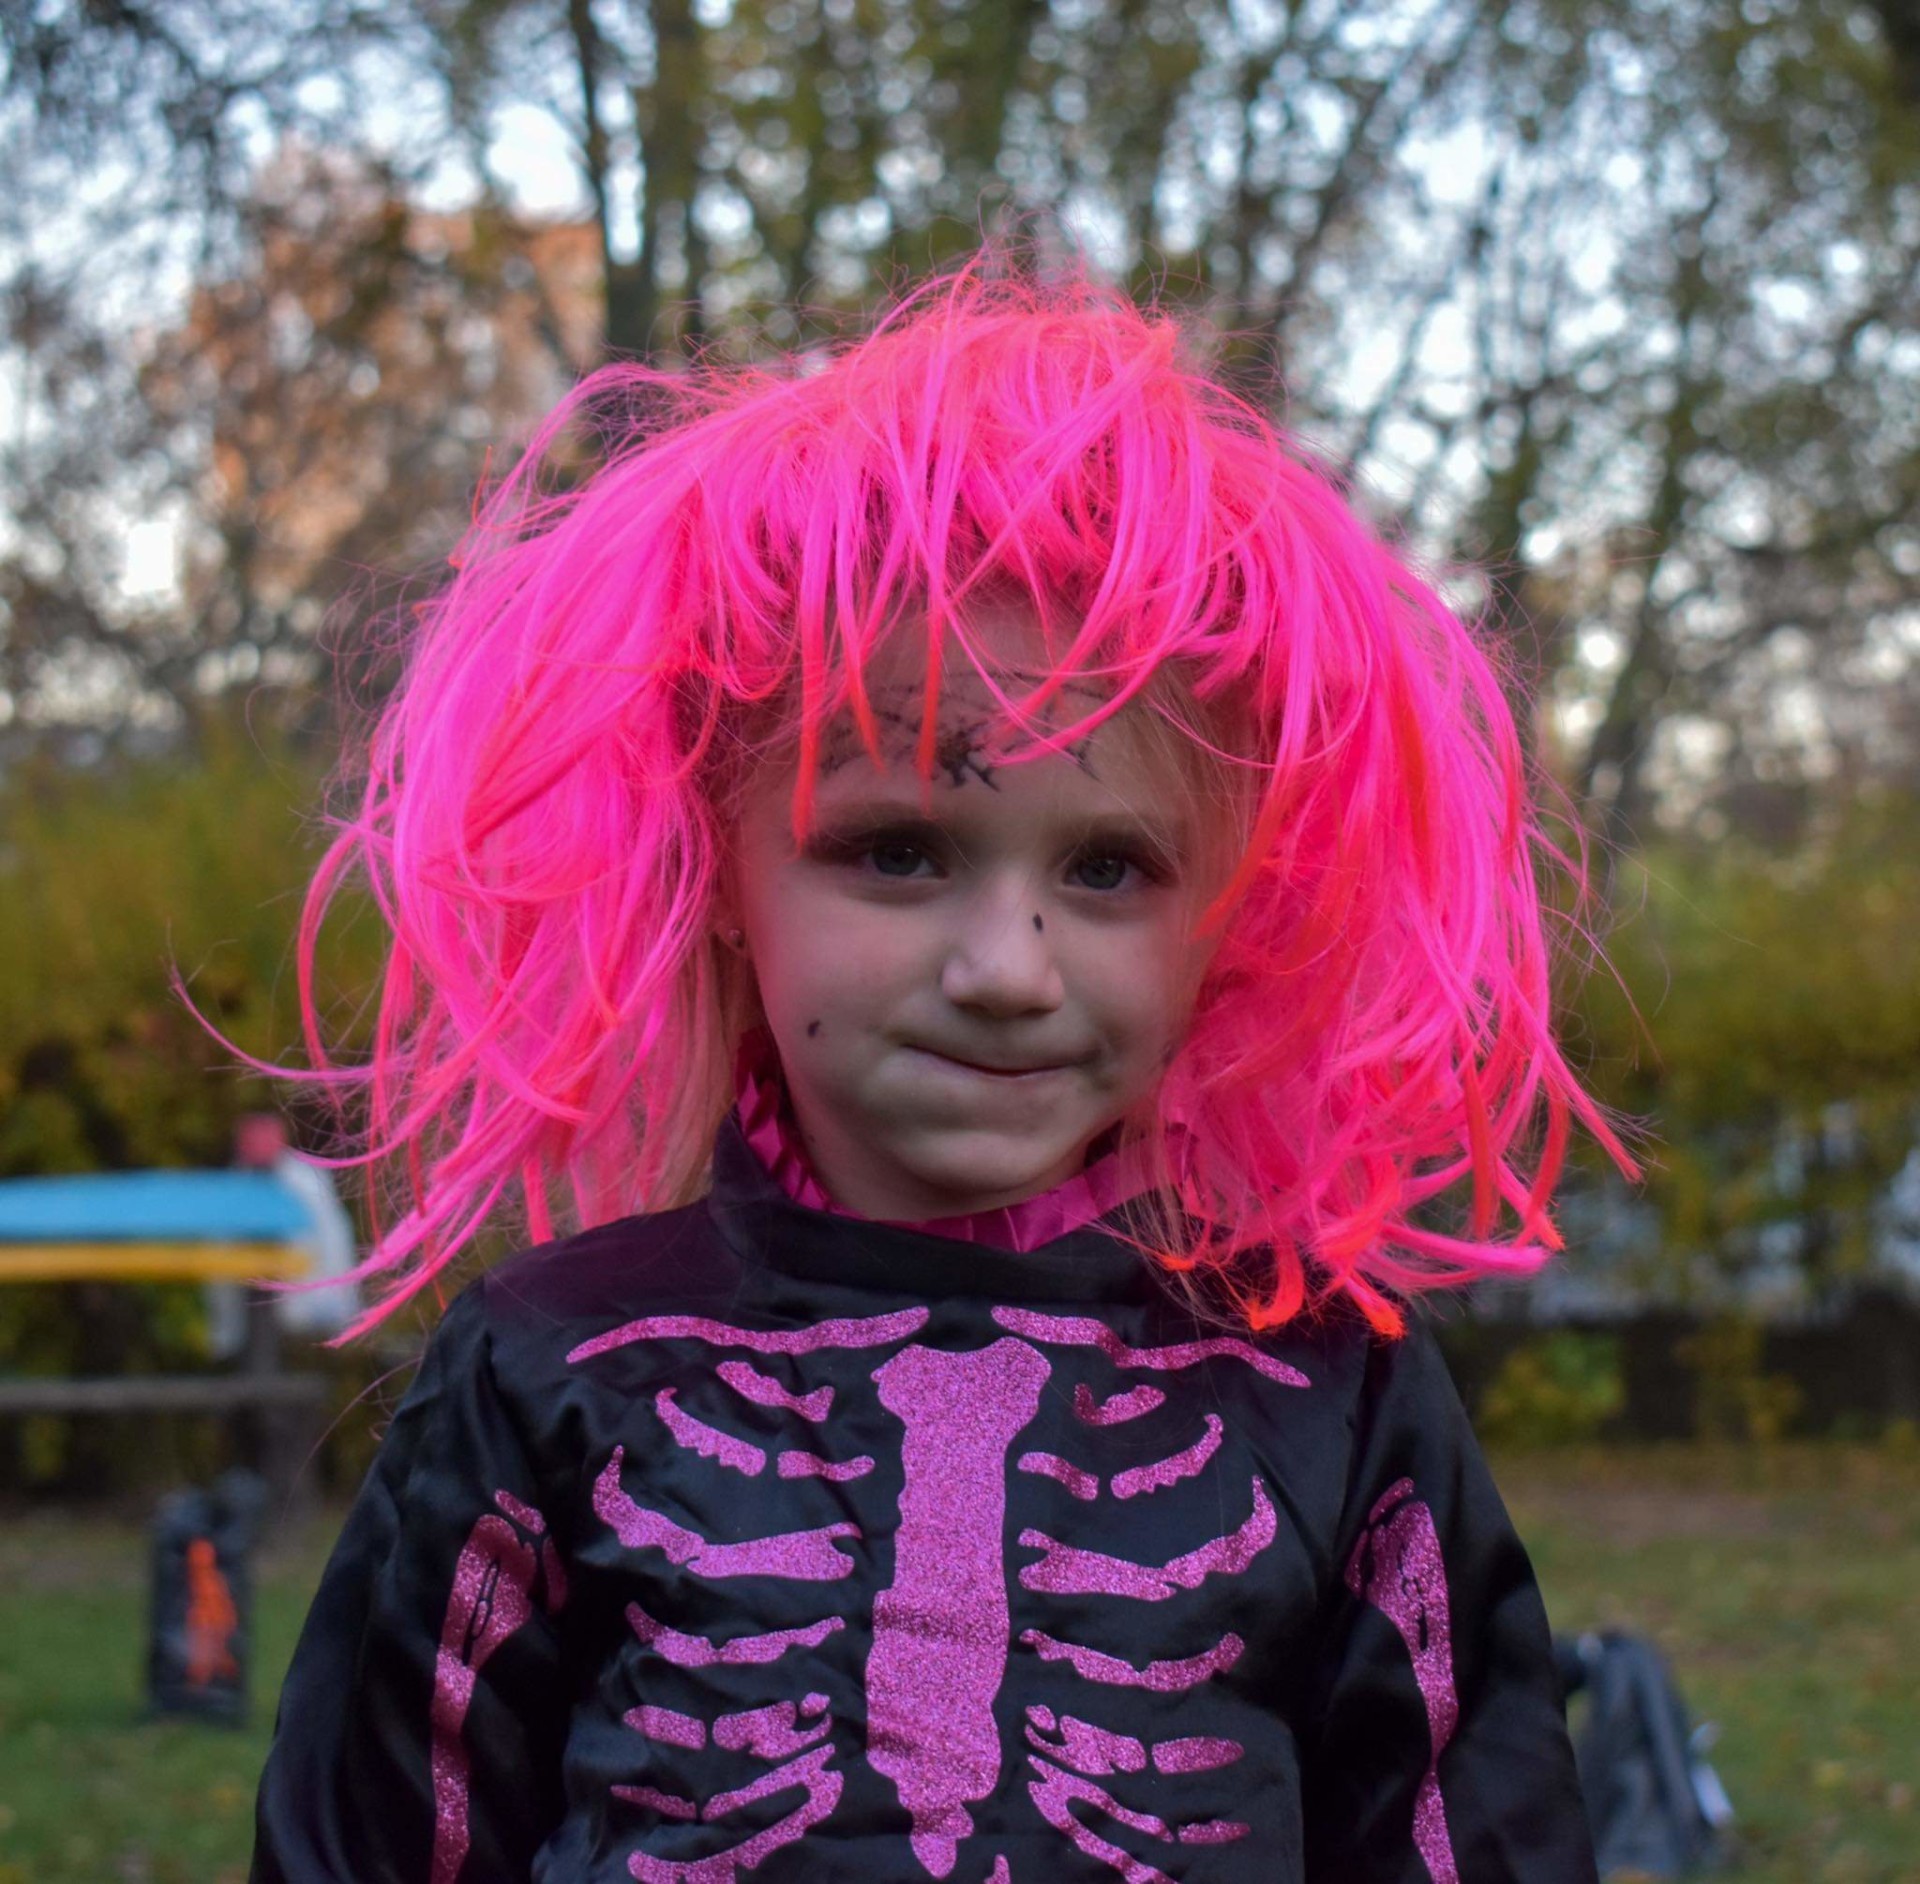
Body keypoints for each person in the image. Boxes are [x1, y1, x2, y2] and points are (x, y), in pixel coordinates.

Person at [248, 259, 1636, 1882]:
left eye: (1109, 869)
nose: (1006, 967)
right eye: (897, 850)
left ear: (1232, 916)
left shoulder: (1330, 1385)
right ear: (719, 867)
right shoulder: (552, 1366)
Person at [205, 1112, 362, 1359]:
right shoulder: (235, 1182)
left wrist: (334, 1302)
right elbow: (219, 1249)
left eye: (265, 1135)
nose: (258, 1144)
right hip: (248, 1303)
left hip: (309, 1308)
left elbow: (333, 1244)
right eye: (252, 1137)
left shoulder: (308, 1182)